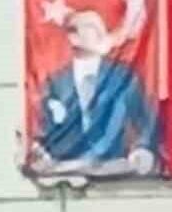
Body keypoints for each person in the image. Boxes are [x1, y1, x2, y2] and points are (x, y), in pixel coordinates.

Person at [29, 8, 159, 177]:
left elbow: (144, 121)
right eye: (85, 28)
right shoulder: (56, 82)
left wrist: (142, 149)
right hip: (66, 170)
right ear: (71, 37)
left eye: (95, 29)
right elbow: (42, 124)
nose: (93, 34)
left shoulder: (122, 77)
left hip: (114, 168)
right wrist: (39, 149)